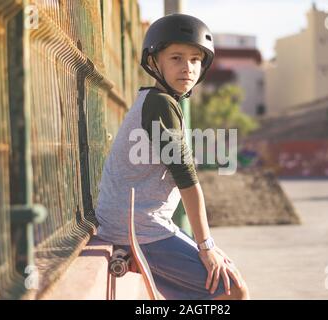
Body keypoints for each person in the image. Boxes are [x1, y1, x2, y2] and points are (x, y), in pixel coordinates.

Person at [95, 14, 249, 300]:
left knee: (225, 281)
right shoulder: (160, 105)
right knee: (232, 290)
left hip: (139, 223)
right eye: (176, 58)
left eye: (195, 59)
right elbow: (187, 182)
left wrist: (207, 246)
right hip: (137, 228)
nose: (187, 68)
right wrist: (206, 246)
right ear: (154, 62)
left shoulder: (159, 101)